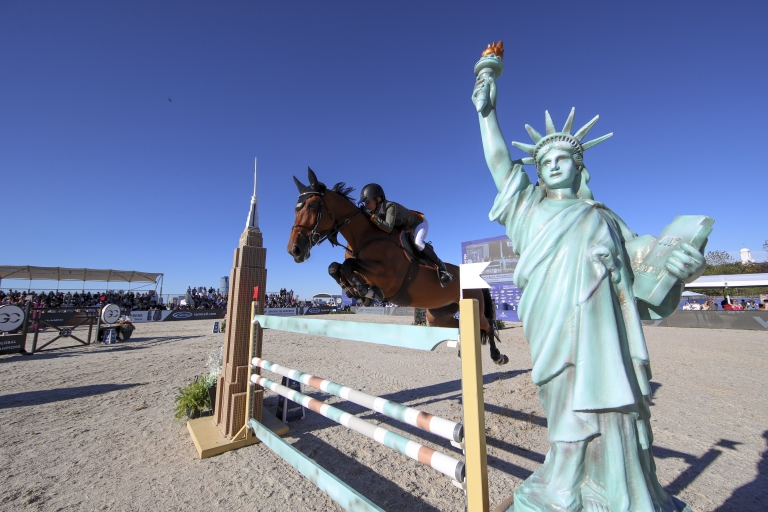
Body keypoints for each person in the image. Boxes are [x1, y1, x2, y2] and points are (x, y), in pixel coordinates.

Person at [472, 45, 706, 511]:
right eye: (546, 161)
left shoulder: (603, 217)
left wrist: (685, 267)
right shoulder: (528, 208)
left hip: (603, 331)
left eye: (564, 158)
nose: (554, 164)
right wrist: (487, 113)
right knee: (562, 406)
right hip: (551, 324)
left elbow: (648, 271)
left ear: (580, 167)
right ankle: (565, 480)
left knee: (612, 406)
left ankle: (617, 489)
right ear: (538, 173)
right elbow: (499, 162)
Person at [358, 183, 453, 286]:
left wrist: (371, 216)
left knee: (418, 242)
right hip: (406, 229)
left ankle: (442, 268)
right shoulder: (376, 211)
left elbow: (388, 227)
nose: (366, 206)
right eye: (365, 203)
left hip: (418, 224)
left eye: (368, 202)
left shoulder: (390, 206)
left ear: (378, 199)